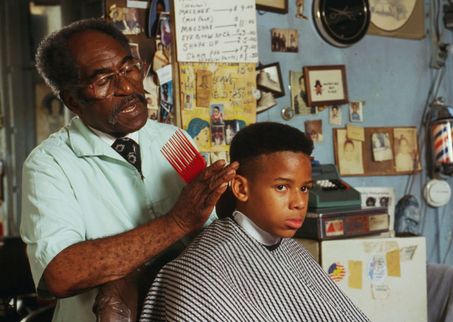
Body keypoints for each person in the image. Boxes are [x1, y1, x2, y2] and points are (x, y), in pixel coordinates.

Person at [20, 18, 238, 322]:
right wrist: (176, 222)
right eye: (103, 80)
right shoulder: (50, 164)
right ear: (72, 100)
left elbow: (210, 232)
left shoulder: (172, 139)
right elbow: (61, 272)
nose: (127, 87)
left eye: (128, 68)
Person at [140, 122, 369, 321]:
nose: (299, 202)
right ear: (240, 188)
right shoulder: (202, 272)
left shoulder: (292, 252)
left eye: (304, 188)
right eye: (281, 187)